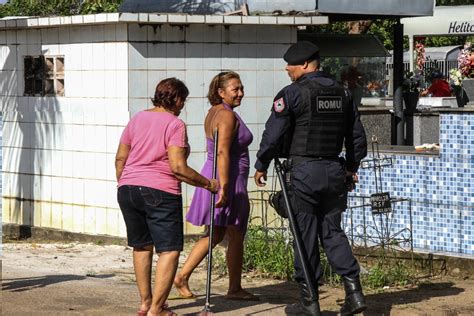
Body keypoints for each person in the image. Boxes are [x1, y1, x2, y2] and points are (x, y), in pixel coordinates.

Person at [254, 41, 368, 316]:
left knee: (304, 234)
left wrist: (261, 164)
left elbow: (273, 134)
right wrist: (351, 167)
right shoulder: (343, 93)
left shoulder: (293, 94)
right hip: (334, 172)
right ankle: (354, 293)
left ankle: (309, 302)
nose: (287, 69)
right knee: (332, 232)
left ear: (305, 64)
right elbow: (357, 137)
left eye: (291, 65)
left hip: (304, 173)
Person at [115, 78, 219, 316]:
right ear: (178, 99)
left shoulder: (137, 119)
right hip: (159, 190)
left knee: (142, 246)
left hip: (128, 188)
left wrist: (125, 181)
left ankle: (145, 303)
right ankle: (156, 310)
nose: (183, 106)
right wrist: (207, 184)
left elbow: (120, 158)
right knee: (169, 250)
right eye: (183, 100)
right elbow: (177, 167)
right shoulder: (175, 124)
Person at [174, 71, 257, 301]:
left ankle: (183, 276)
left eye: (241, 88)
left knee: (217, 233)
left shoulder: (214, 112)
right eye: (235, 89)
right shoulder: (227, 116)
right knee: (235, 232)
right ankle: (234, 288)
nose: (240, 93)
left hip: (216, 174)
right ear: (221, 92)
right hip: (226, 178)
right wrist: (225, 187)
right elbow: (222, 151)